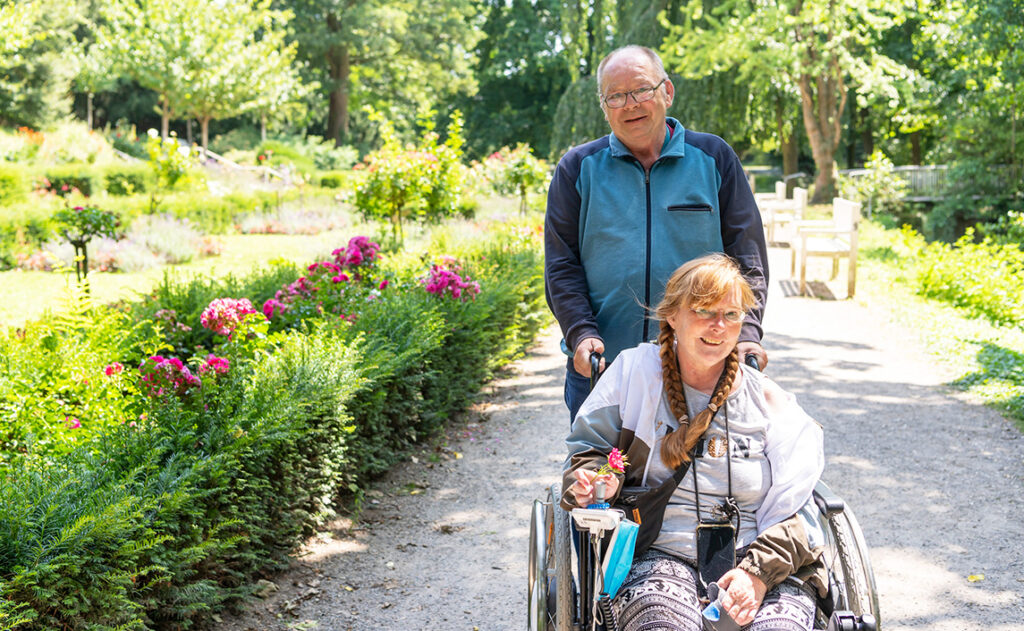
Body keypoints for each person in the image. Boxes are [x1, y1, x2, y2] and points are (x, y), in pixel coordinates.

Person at [562, 254, 826, 631]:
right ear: (673, 315)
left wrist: (756, 574)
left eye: (731, 315)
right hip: (659, 553)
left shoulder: (770, 403)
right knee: (661, 621)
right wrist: (596, 481)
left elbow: (803, 513)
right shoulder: (634, 375)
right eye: (704, 310)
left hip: (760, 560)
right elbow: (591, 453)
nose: (718, 326)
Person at [544, 45, 769, 424]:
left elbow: (747, 257)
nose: (630, 104)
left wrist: (747, 330)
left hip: (702, 365)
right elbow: (561, 265)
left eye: (641, 90)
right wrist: (581, 333)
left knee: (706, 480)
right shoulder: (577, 168)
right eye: (615, 95)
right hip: (604, 366)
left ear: (667, 92)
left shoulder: (714, 157)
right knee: (603, 477)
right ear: (604, 106)